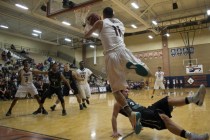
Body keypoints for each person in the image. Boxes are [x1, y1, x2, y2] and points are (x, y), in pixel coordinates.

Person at [84, 7, 152, 134]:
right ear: (113, 14)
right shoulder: (120, 24)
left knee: (115, 91)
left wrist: (88, 24)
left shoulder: (100, 23)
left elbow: (86, 35)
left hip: (111, 55)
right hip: (124, 51)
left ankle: (131, 114)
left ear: (103, 15)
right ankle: (134, 67)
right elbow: (107, 35)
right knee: (137, 69)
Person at [111, 85, 209, 140]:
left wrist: (134, 125)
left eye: (128, 89)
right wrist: (115, 131)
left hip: (147, 109)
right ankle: (191, 136)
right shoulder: (118, 103)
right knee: (163, 117)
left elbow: (129, 114)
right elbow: (114, 117)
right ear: (119, 92)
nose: (128, 91)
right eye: (125, 90)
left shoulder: (127, 100)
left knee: (167, 100)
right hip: (143, 117)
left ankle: (194, 99)